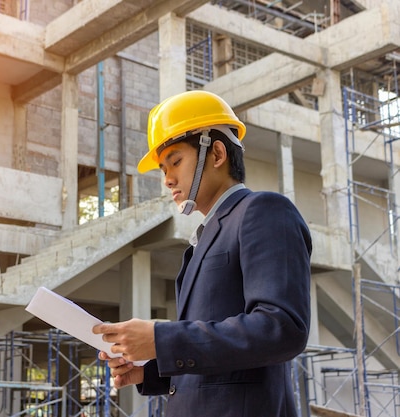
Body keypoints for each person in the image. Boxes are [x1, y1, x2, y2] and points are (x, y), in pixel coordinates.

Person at [92, 90, 312, 416]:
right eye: (162, 168)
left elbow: (281, 329)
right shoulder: (205, 238)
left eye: (176, 161)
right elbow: (216, 355)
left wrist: (162, 340)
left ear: (218, 153)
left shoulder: (263, 211)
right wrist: (150, 368)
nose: (167, 179)